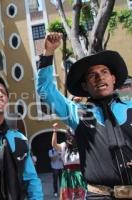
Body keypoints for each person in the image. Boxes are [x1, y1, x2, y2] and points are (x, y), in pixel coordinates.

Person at [37, 32, 132, 199]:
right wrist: (49, 53)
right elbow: (45, 90)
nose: (99, 77)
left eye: (104, 72)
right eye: (91, 75)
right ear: (85, 86)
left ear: (113, 78)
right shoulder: (77, 113)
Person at [51, 123, 87, 200]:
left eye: (72, 137)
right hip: (67, 175)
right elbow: (54, 145)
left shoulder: (81, 146)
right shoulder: (64, 146)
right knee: (67, 197)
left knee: (80, 196)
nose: (70, 139)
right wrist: (55, 131)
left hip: (79, 175)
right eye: (68, 137)